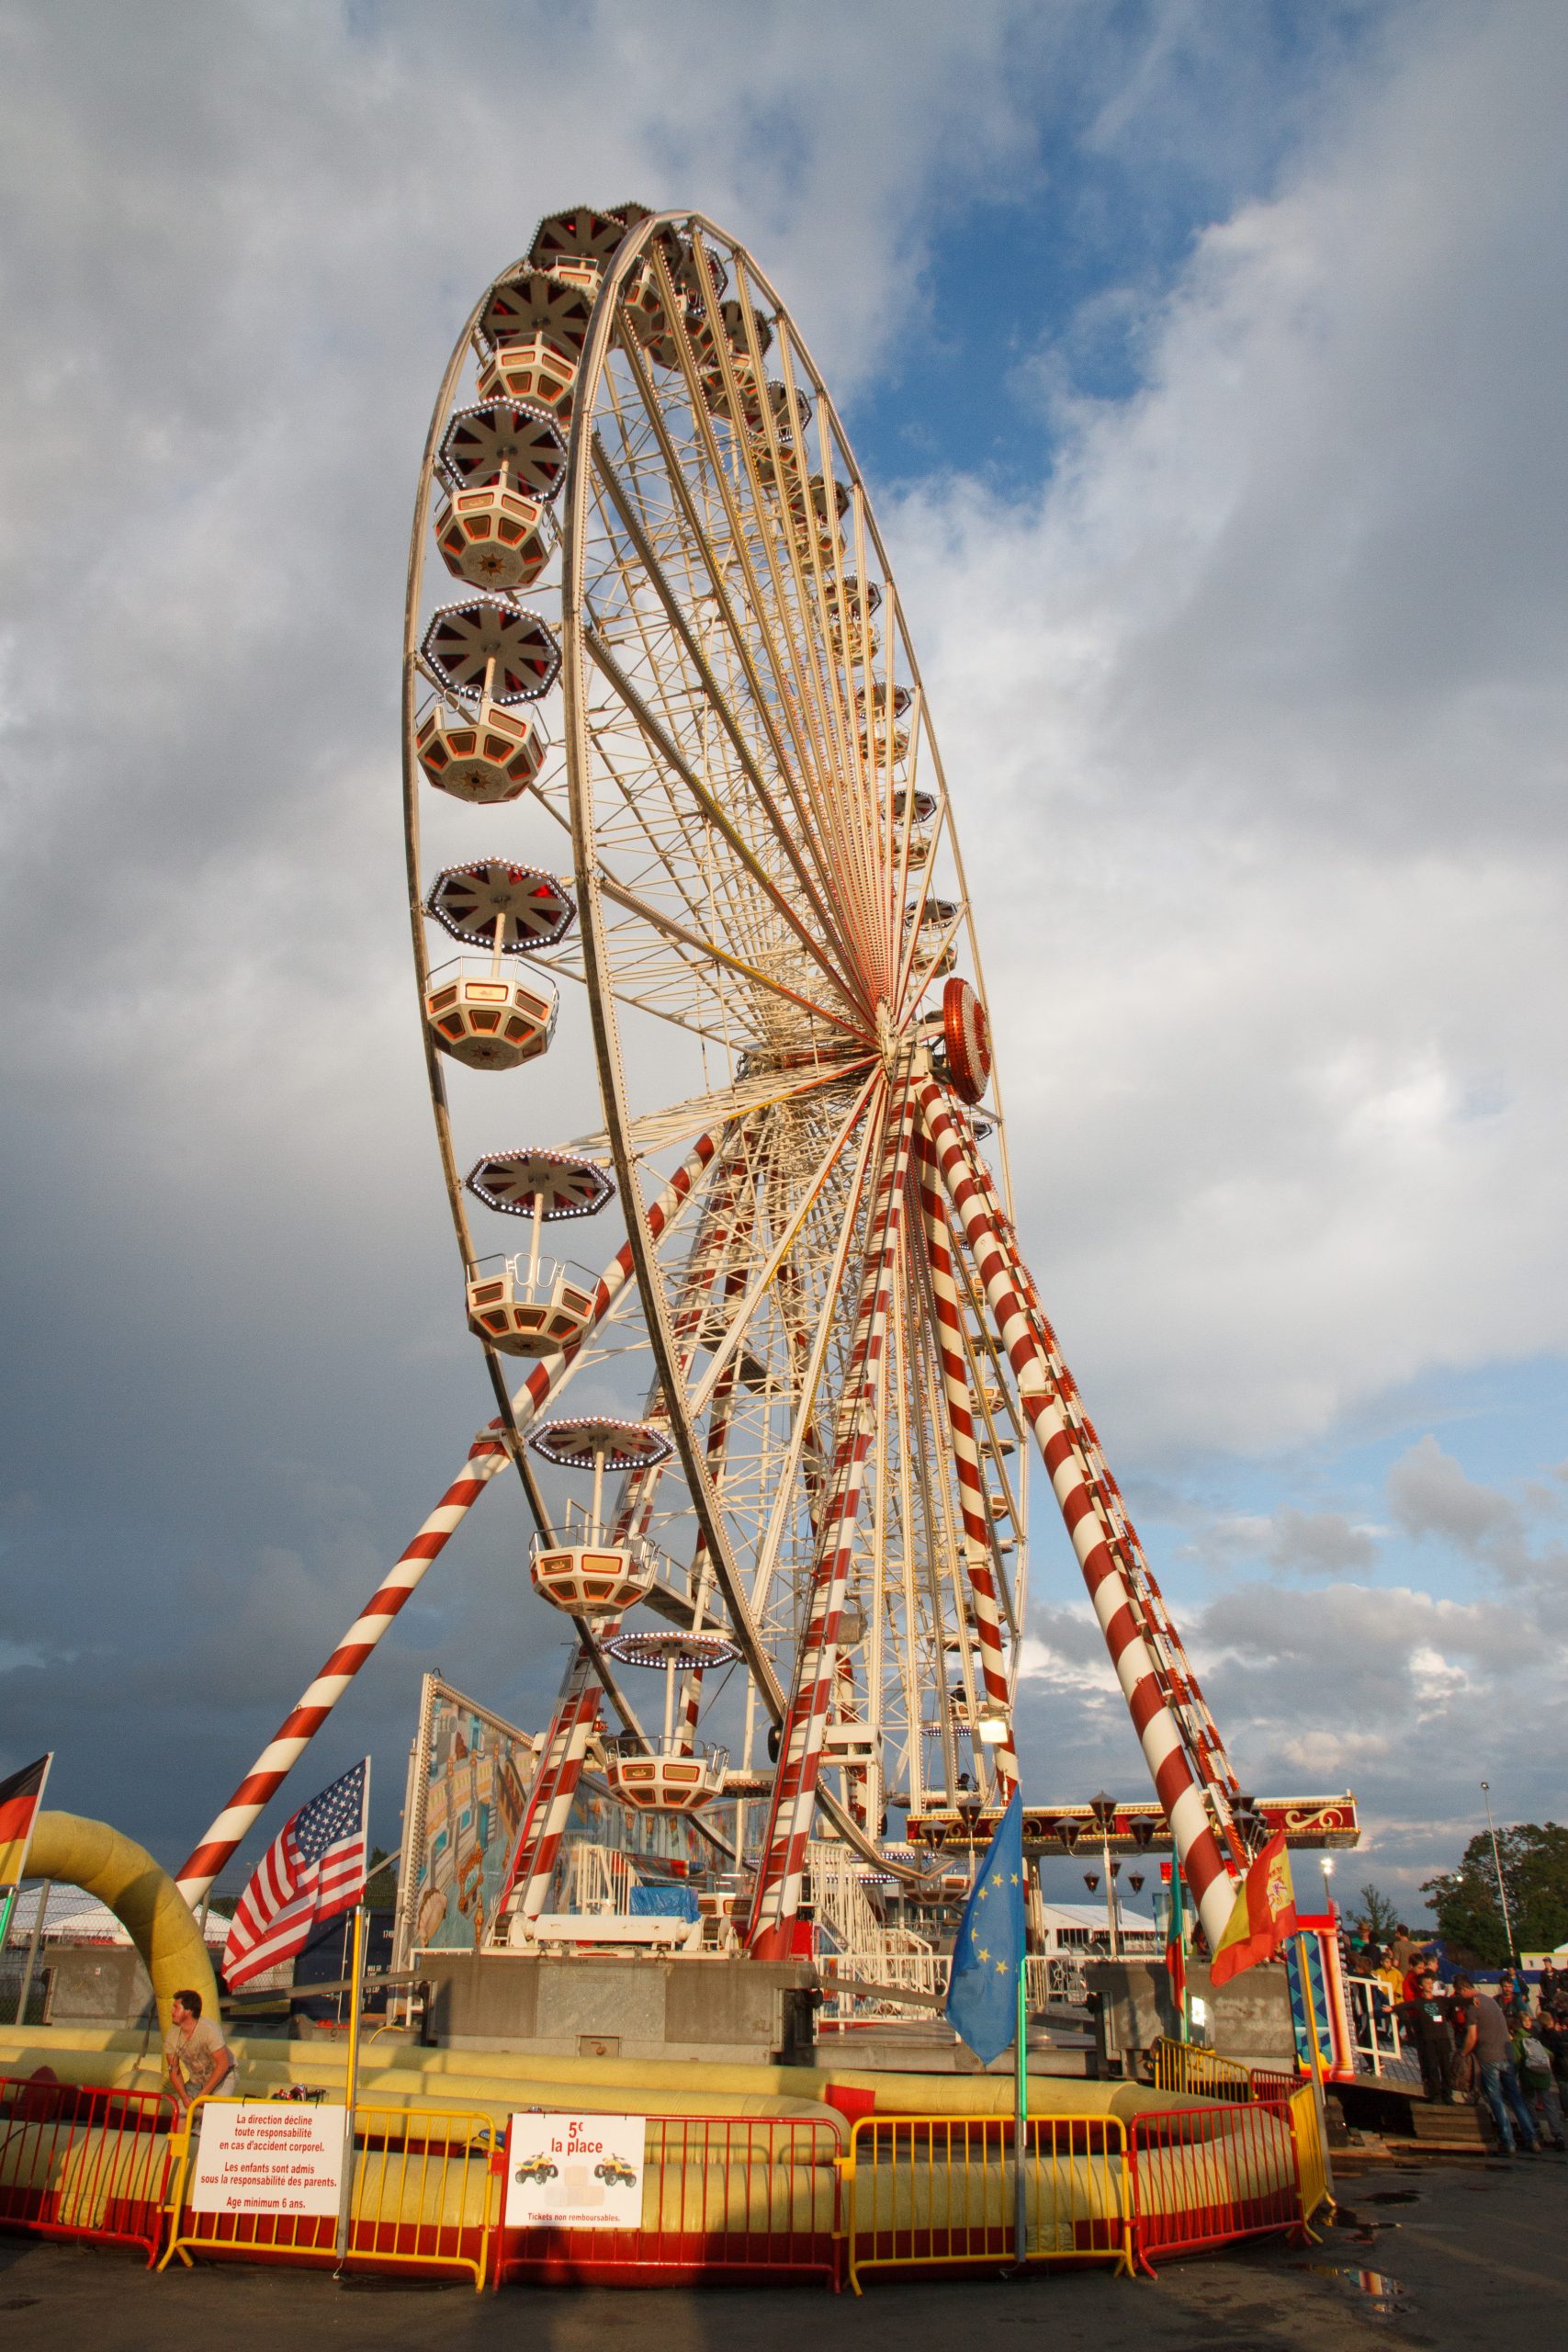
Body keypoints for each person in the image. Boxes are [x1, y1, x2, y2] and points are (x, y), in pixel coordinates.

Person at [1454, 1975, 1539, 2155]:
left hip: (1488, 2057)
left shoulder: (1472, 2006)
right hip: (1506, 2055)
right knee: (1515, 2097)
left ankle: (1509, 2142)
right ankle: (1532, 2139)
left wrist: (1462, 2054)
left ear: (1462, 1990)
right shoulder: (1491, 2001)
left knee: (1496, 2099)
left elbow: (1472, 2037)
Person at [163, 1987, 233, 2116]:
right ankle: (177, 2136)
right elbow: (173, 2070)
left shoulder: (209, 2030)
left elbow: (223, 2065)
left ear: (189, 2011)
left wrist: (203, 2095)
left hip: (224, 2076)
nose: (171, 2011)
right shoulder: (172, 2036)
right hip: (197, 2081)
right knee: (181, 2111)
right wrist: (184, 2097)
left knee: (215, 2111)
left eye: (176, 2007)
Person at [1407, 1957, 1458, 2105]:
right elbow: (1408, 2004)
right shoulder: (1418, 1997)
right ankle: (1436, 2094)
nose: (1430, 1986)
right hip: (1427, 2033)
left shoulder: (1439, 1996)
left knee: (1445, 2067)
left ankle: (1447, 2094)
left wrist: (1470, 2000)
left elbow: (1451, 2002)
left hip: (1441, 2034)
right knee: (1432, 2065)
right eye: (1428, 1983)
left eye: (1431, 1983)